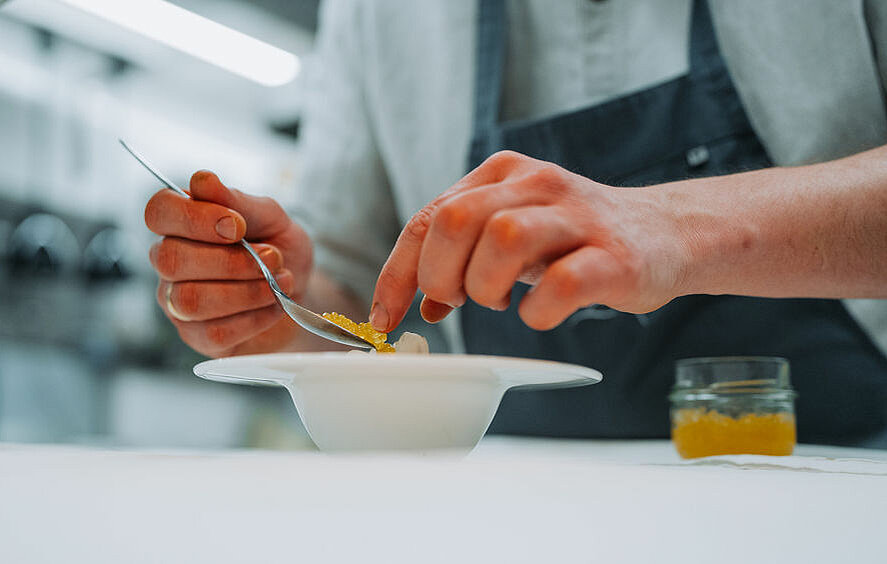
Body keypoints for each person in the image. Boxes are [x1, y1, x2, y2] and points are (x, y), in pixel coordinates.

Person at [145, 0, 887, 446]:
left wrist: (675, 228)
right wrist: (280, 303)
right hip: (513, 505)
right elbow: (354, 291)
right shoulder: (376, 13)